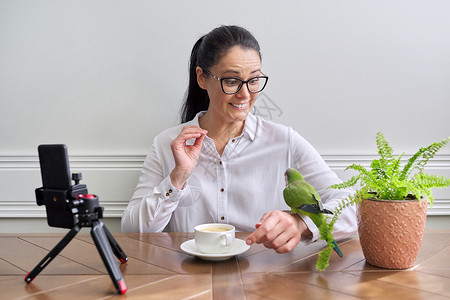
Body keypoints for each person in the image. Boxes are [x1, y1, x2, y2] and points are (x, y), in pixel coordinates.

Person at [121, 25, 357, 253]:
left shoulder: (284, 141)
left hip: (265, 282)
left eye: (253, 80)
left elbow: (351, 207)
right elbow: (133, 231)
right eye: (232, 81)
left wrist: (301, 224)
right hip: (187, 282)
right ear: (202, 78)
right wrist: (177, 178)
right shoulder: (167, 144)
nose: (245, 94)